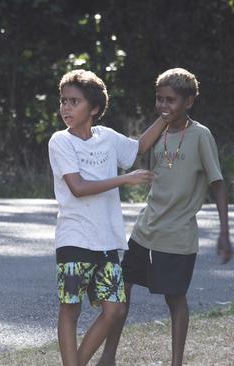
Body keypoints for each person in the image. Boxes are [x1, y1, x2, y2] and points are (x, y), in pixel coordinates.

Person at [97, 68, 234, 366]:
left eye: (170, 100)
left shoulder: (201, 135)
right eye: (159, 99)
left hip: (178, 236)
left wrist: (225, 232)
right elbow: (136, 154)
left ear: (189, 101)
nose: (163, 106)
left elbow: (218, 184)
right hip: (145, 230)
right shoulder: (158, 131)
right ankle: (108, 356)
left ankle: (176, 363)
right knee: (123, 291)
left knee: (175, 299)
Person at [48, 69, 168, 366]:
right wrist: (123, 180)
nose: (66, 108)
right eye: (63, 101)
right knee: (70, 309)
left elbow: (137, 148)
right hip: (74, 238)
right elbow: (77, 187)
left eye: (74, 102)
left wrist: (165, 117)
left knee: (115, 309)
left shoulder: (108, 138)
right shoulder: (60, 141)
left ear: (95, 108)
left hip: (106, 241)